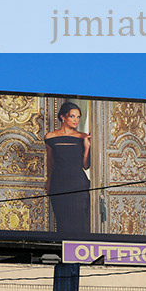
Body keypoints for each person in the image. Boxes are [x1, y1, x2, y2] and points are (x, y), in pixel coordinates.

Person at [44, 101, 91, 235]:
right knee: (62, 221)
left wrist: (87, 147)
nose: (76, 120)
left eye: (78, 117)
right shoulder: (50, 137)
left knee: (80, 221)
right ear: (63, 117)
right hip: (59, 185)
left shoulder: (82, 137)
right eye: (72, 116)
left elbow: (86, 165)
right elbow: (50, 161)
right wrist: (48, 181)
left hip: (78, 185)